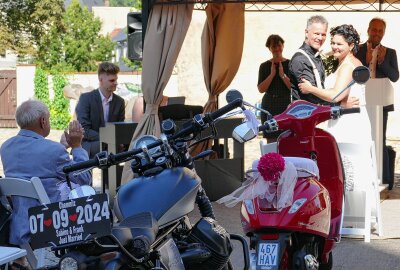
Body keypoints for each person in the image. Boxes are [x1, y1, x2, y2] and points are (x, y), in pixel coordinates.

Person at [0, 100, 92, 247]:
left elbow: (35, 165)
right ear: (43, 121)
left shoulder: (6, 147)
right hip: (49, 226)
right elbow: (84, 178)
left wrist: (62, 147)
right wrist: (77, 146)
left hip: (20, 224)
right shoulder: (53, 151)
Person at [355, 17, 399, 187]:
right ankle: (365, 175)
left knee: (380, 138)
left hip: (381, 102)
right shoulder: (358, 50)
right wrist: (366, 61)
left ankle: (384, 178)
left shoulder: (390, 52)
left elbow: (395, 76)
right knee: (364, 137)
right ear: (368, 30)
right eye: (374, 29)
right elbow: (355, 75)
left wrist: (381, 62)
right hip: (362, 101)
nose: (377, 33)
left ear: (383, 33)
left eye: (380, 31)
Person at [76, 62, 125, 158]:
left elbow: (120, 127)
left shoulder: (120, 102)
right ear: (101, 79)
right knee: (108, 147)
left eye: (116, 80)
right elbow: (84, 129)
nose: (116, 83)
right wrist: (107, 138)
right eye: (112, 80)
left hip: (111, 143)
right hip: (90, 143)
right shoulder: (86, 99)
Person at [289, 15, 330, 105]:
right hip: (305, 115)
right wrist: (340, 104)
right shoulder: (300, 59)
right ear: (306, 33)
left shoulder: (315, 55)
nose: (320, 38)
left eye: (323, 34)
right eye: (316, 33)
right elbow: (313, 95)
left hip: (315, 114)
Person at [257, 34, 291, 142]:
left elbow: (293, 88)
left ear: (283, 46)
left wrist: (282, 75)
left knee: (286, 136)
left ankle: (285, 159)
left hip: (285, 103)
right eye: (274, 46)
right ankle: (273, 159)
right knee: (271, 138)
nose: (277, 49)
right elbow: (261, 89)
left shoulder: (290, 64)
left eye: (279, 45)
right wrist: (272, 74)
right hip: (269, 104)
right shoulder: (264, 66)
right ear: (269, 48)